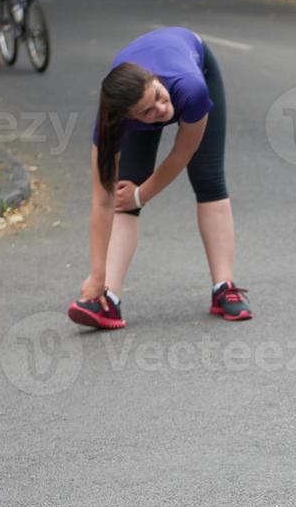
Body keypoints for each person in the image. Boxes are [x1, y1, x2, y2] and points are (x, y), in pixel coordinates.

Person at [68, 27, 252, 330]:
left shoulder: (190, 89)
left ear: (155, 81)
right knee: (122, 197)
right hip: (135, 96)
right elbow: (103, 202)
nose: (161, 110)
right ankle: (107, 300)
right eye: (148, 112)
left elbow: (181, 153)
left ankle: (224, 287)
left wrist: (143, 194)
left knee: (208, 179)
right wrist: (96, 274)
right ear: (129, 119)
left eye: (158, 98)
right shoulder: (111, 126)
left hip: (196, 60)